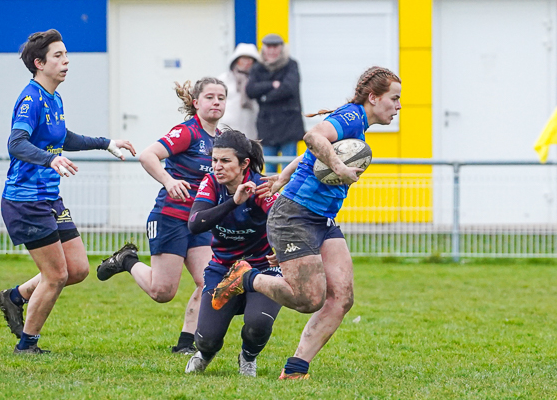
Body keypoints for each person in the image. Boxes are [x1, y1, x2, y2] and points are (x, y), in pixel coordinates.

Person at [212, 66, 401, 380]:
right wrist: (338, 165)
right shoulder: (352, 116)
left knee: (342, 297)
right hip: (295, 216)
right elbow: (312, 136)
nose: (397, 107)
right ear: (373, 97)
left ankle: (297, 368)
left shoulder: (357, 126)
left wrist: (281, 178)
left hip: (322, 219)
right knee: (308, 299)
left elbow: (308, 153)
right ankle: (246, 278)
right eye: (394, 99)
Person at [0, 29, 135, 353]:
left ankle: (14, 297)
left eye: (66, 54)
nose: (66, 61)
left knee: (78, 269)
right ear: (39, 62)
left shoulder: (53, 97)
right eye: (58, 56)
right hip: (26, 202)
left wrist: (106, 143)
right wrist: (50, 159)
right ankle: (27, 344)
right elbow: (16, 143)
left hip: (49, 198)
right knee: (56, 275)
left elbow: (62, 137)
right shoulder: (30, 98)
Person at [96, 78, 225, 354]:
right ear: (196, 103)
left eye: (221, 98)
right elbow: (147, 155)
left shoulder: (221, 140)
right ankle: (127, 260)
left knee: (209, 282)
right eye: (210, 97)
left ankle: (185, 344)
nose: (216, 102)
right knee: (162, 292)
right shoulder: (187, 132)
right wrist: (168, 181)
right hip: (170, 216)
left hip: (199, 220)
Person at [183, 129, 283, 376]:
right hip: (223, 269)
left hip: (262, 268)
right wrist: (233, 202)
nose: (217, 167)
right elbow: (195, 223)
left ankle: (248, 356)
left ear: (244, 164)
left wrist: (280, 250)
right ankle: (205, 353)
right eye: (215, 160)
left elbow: (283, 222)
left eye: (225, 161)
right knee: (206, 339)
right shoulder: (211, 183)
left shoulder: (261, 187)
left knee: (258, 323)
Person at [245, 34, 303, 172]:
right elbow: (250, 90)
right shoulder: (257, 68)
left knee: (289, 169)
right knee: (269, 169)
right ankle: (270, 195)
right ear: (263, 48)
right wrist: (272, 84)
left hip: (289, 127)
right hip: (267, 128)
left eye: (275, 47)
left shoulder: (291, 65)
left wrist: (265, 97)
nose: (271, 50)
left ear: (282, 48)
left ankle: (288, 195)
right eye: (268, 47)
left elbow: (289, 88)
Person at [218, 43, 260, 139]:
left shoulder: (259, 81)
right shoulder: (224, 79)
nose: (246, 63)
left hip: (251, 131)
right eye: (243, 59)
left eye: (249, 60)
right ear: (236, 61)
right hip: (227, 130)